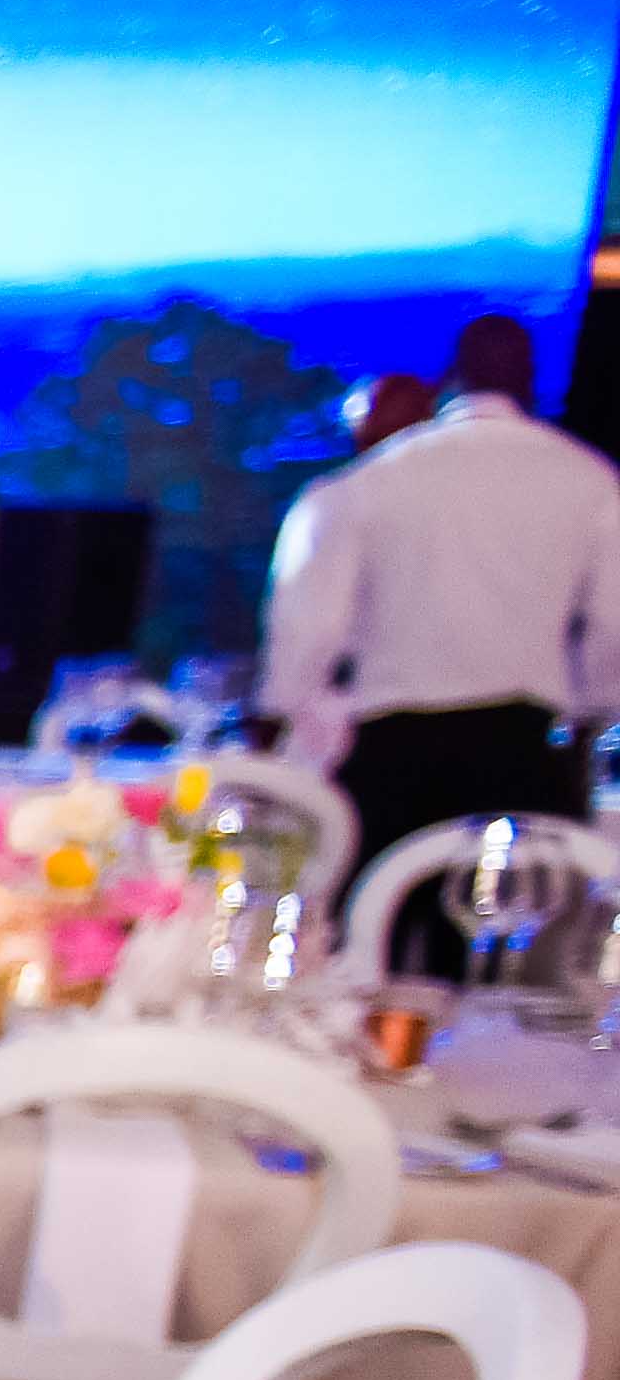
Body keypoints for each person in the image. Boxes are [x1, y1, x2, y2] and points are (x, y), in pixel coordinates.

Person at [263, 317, 620, 959]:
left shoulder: (373, 478)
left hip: (389, 757)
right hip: (525, 759)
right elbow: (613, 628)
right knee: (507, 973)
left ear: (451, 377)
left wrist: (283, 720)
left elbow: (307, 630)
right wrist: (593, 712)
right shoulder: (590, 478)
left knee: (365, 956)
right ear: (531, 378)